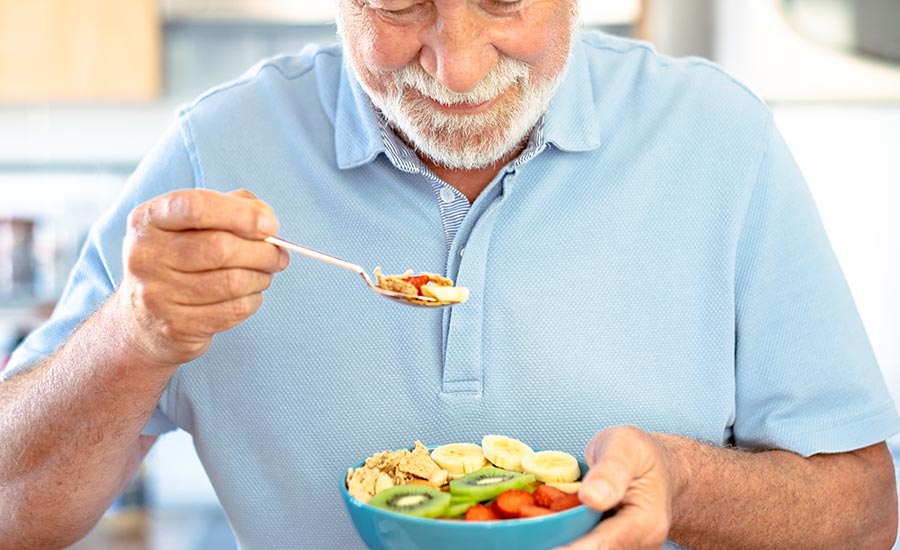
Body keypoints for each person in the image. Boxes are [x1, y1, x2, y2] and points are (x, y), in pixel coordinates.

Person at [1, 1, 898, 548]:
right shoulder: (213, 150)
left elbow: (864, 518)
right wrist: (133, 333)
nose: (457, 66)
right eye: (398, 2)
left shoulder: (719, 142)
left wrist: (687, 485)